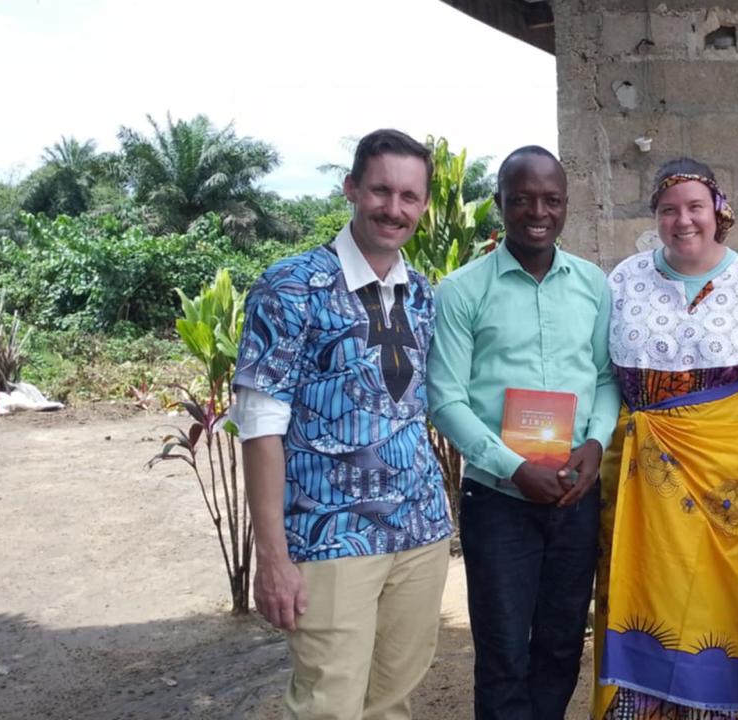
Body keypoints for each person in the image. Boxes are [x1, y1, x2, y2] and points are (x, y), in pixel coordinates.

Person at [233, 129, 452, 719]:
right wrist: (273, 559)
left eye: (410, 196)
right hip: (330, 536)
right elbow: (259, 425)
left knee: (392, 700)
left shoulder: (421, 294)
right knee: (327, 705)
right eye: (380, 190)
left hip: (421, 530)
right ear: (351, 188)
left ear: (425, 205)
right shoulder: (290, 287)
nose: (394, 208)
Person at [593, 158, 738, 719]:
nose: (683, 220)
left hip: (730, 485)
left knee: (732, 604)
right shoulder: (622, 281)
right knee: (644, 597)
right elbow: (599, 377)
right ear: (655, 217)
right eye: (668, 209)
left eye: (695, 206)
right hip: (643, 489)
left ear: (718, 211)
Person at [427, 146, 618, 720]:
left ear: (565, 205)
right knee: (504, 649)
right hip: (499, 500)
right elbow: (445, 400)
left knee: (562, 644)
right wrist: (514, 468)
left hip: (574, 494)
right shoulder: (461, 291)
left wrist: (595, 443)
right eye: (522, 199)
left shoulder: (593, 286)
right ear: (499, 204)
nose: (538, 211)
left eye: (551, 199)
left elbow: (606, 379)